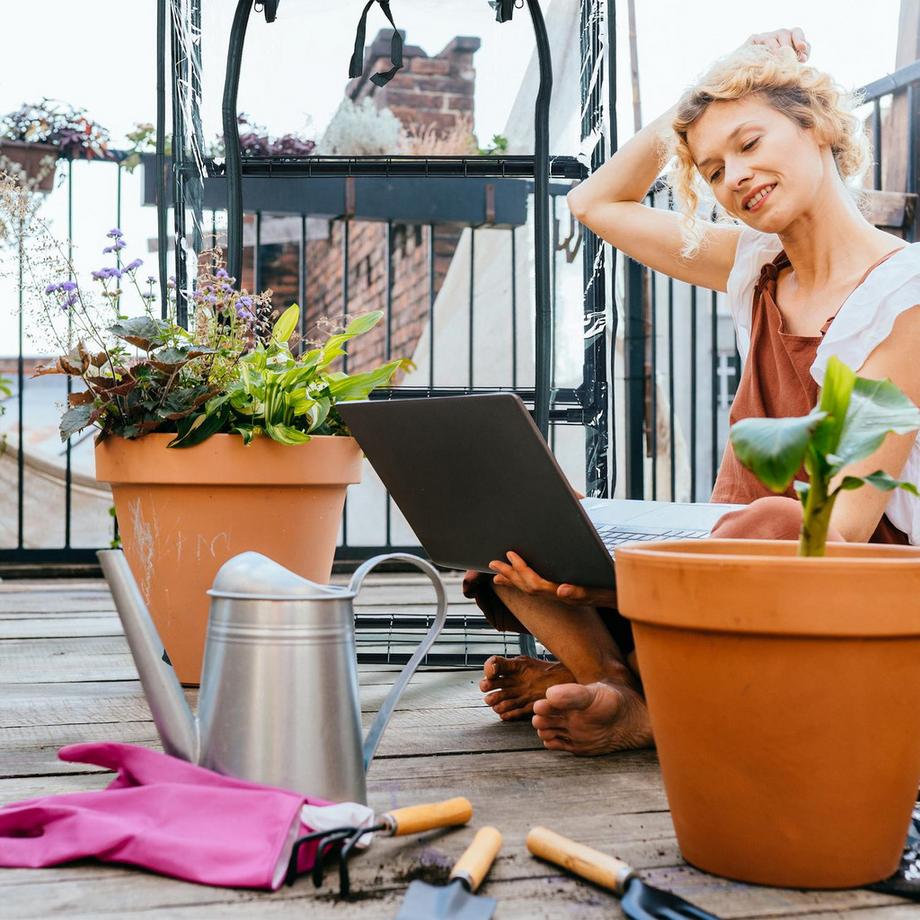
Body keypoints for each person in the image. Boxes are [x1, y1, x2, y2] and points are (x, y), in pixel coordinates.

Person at [465, 27, 920, 756]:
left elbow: (840, 533)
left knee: (772, 523)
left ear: (820, 127)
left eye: (748, 143)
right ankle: (617, 683)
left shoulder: (906, 297)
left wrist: (618, 588)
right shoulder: (754, 265)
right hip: (718, 562)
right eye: (711, 168)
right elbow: (592, 202)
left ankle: (651, 705)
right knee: (527, 531)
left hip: (840, 580)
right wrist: (699, 89)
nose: (733, 175)